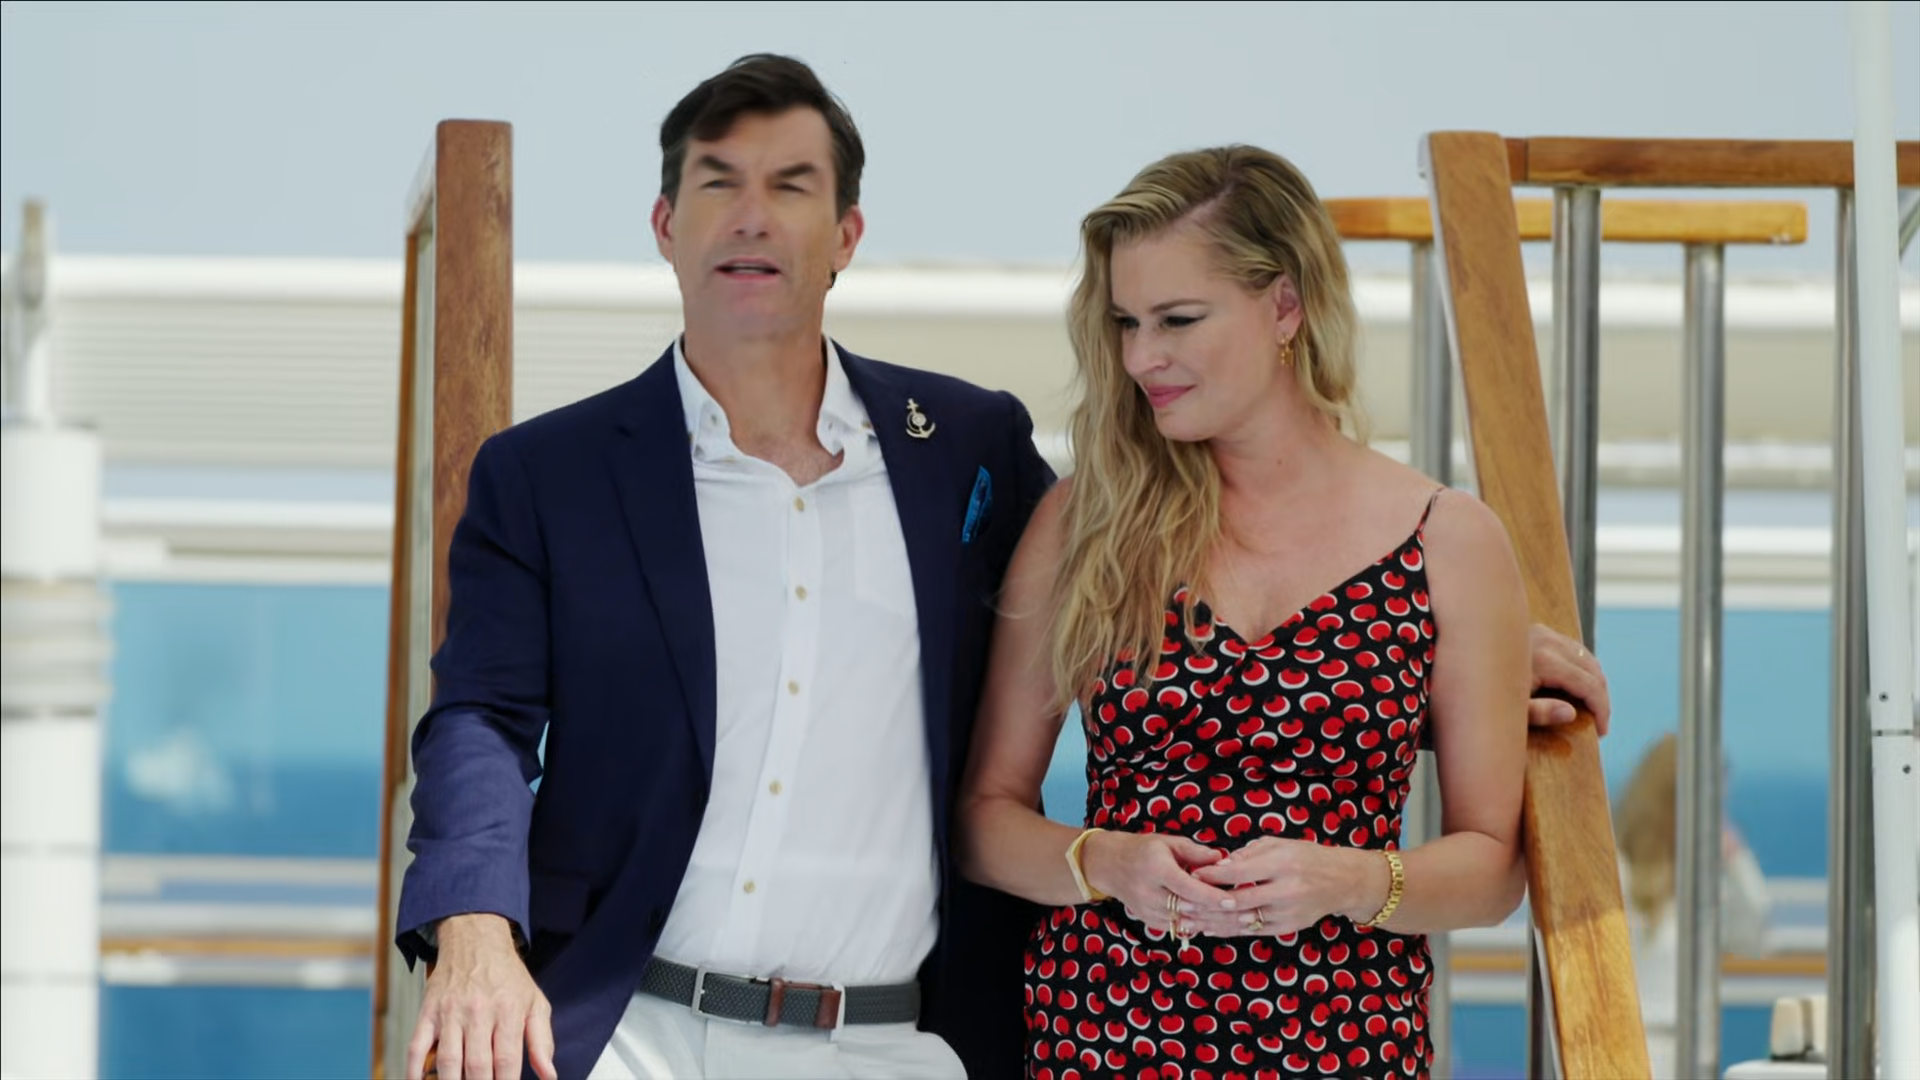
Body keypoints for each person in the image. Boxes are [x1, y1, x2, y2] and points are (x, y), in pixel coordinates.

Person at [394, 55, 1615, 1080]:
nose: (1142, 357)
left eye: (791, 185)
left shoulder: (964, 452)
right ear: (664, 226)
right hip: (657, 1029)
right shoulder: (547, 475)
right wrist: (474, 928)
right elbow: (479, 722)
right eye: (718, 182)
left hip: (926, 1040)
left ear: (847, 235)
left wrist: (1480, 648)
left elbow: (1293, 651)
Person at [958, 145, 1537, 1079]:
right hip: (1104, 1040)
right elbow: (984, 822)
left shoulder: (1448, 539)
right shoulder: (1086, 521)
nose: (1141, 358)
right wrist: (1103, 861)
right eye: (1126, 323)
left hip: (1347, 1046)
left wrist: (1352, 879)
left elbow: (1492, 867)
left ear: (1285, 305)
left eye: (1178, 320)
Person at [1615, 733, 1771, 1079]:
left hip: (1694, 1050)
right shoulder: (1619, 872)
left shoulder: (1703, 883)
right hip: (1633, 1047)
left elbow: (1754, 938)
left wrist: (1736, 858)